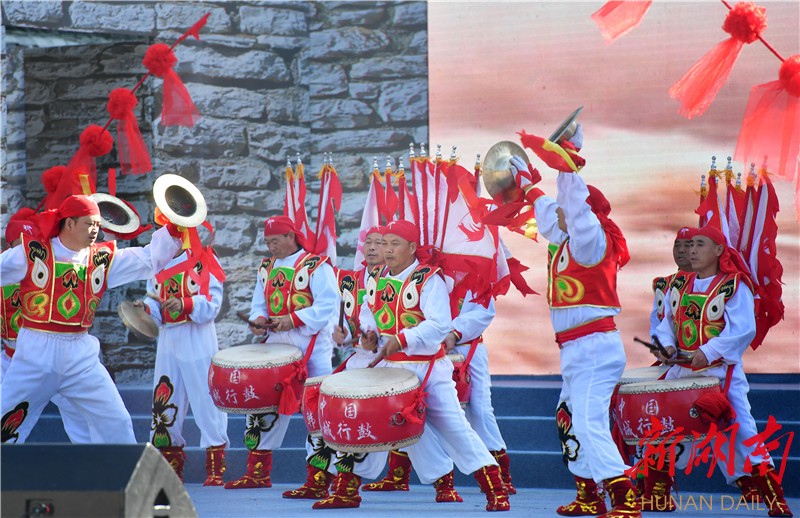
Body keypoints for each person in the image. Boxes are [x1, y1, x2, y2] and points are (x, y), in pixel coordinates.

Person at [508, 144, 640, 517]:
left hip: (595, 348)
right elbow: (550, 213)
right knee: (568, 417)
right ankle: (588, 494)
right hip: (576, 349)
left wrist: (566, 167)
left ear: (585, 214)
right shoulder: (566, 241)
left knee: (588, 420)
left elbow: (576, 212)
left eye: (567, 209)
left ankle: (624, 497)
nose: (560, 214)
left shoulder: (591, 241)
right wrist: (529, 186)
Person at [0, 195, 181, 444]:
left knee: (116, 421)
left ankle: (123, 470)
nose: (95, 229)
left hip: (80, 355)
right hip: (35, 353)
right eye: (89, 223)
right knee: (5, 420)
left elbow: (148, 259)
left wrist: (173, 227)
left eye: (97, 224)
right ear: (69, 223)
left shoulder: (102, 259)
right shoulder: (32, 252)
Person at [357, 220, 510, 512]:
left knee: (454, 428)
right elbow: (369, 312)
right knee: (405, 430)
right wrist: (370, 335)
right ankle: (351, 486)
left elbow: (440, 325)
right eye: (384, 243)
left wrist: (402, 339)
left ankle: (495, 488)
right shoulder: (375, 277)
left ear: (412, 247)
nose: (387, 250)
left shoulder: (428, 279)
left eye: (395, 244)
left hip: (428, 368)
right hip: (393, 368)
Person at [652, 226, 793, 517]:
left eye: (699, 245)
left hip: (720, 376)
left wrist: (707, 352)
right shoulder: (680, 284)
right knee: (664, 431)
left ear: (718, 250)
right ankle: (656, 495)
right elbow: (666, 325)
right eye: (690, 245)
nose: (692, 250)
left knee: (743, 434)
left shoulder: (733, 285)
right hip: (682, 374)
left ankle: (774, 499)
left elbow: (743, 330)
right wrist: (666, 347)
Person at [225, 215, 338, 493]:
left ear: (291, 236)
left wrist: (294, 319)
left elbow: (327, 305)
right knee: (264, 405)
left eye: (275, 240)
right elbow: (259, 304)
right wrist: (259, 319)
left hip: (311, 347)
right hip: (276, 345)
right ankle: (257, 472)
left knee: (317, 411)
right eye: (267, 242)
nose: (271, 246)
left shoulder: (316, 266)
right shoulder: (266, 268)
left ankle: (319, 478)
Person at [1, 210, 93, 444]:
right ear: (10, 245)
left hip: (53, 358)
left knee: (84, 417)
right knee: (7, 420)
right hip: (12, 361)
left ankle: (94, 459)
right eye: (20, 243)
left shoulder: (50, 268)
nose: (27, 249)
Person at [140, 244, 229, 484]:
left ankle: (215, 468)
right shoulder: (156, 263)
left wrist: (185, 304)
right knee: (165, 397)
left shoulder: (204, 258)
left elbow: (213, 302)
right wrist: (146, 309)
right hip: (168, 337)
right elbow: (153, 301)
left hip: (197, 335)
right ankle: (171, 468)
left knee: (206, 397)